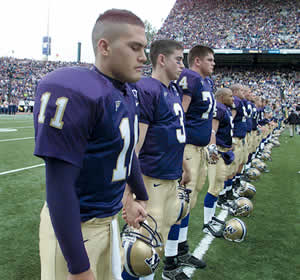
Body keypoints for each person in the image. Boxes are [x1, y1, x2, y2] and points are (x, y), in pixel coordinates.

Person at [34, 9, 149, 280]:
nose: (143, 57)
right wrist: (79, 267)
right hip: (75, 227)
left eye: (144, 48)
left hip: (109, 221)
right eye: (135, 47)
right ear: (104, 46)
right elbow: (59, 186)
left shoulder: (127, 91)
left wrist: (136, 195)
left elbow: (125, 150)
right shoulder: (74, 89)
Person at [122, 39, 192, 280]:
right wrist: (129, 194)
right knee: (141, 249)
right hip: (151, 179)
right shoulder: (146, 89)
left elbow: (175, 134)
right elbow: (135, 147)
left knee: (156, 247)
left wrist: (184, 166)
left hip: (170, 176)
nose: (183, 65)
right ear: (162, 59)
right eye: (179, 59)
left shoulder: (172, 90)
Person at [177, 46, 220, 239]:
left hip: (201, 148)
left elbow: (208, 118)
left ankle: (181, 246)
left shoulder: (207, 82)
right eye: (209, 60)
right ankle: (172, 255)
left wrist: (211, 144)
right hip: (188, 147)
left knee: (191, 199)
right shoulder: (190, 78)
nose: (213, 63)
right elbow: (179, 115)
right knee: (182, 200)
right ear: (197, 61)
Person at [204, 88, 234, 235]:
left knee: (218, 185)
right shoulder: (219, 108)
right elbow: (212, 131)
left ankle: (211, 216)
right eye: (230, 95)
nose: (233, 98)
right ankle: (206, 223)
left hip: (223, 150)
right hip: (217, 152)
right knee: (214, 186)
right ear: (221, 97)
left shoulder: (225, 109)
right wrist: (213, 148)